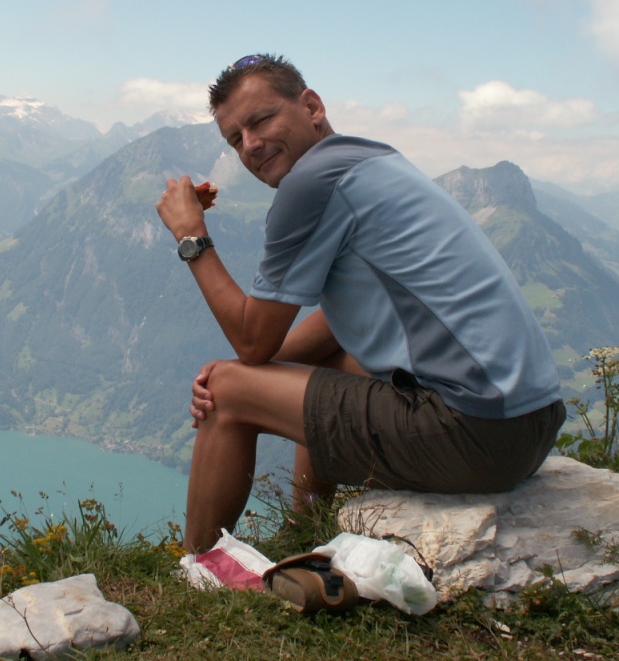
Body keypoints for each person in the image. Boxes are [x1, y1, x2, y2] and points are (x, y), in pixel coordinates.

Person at [156, 54, 564, 553]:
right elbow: (333, 323)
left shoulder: (311, 185)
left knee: (223, 391)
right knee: (323, 361)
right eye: (235, 138)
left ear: (312, 106)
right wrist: (259, 369)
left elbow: (252, 338)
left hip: (475, 433)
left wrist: (192, 236)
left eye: (261, 120)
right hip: (530, 422)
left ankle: (196, 567)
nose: (251, 144)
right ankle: (305, 531)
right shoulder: (371, 158)